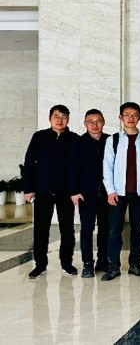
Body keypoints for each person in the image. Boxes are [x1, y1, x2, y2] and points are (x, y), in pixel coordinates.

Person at [23, 104, 79, 279]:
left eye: (63, 116)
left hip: (66, 192)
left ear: (68, 119)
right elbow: (29, 162)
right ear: (50, 118)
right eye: (56, 116)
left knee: (67, 229)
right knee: (41, 229)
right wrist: (28, 188)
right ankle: (40, 265)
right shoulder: (39, 137)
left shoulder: (74, 138)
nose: (60, 120)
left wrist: (76, 190)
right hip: (43, 190)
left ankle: (67, 263)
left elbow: (78, 167)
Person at [101, 102, 140, 281]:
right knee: (114, 231)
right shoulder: (113, 140)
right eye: (127, 115)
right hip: (118, 193)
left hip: (139, 192)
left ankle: (135, 264)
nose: (131, 118)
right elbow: (107, 166)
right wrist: (110, 191)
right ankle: (113, 266)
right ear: (120, 117)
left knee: (137, 230)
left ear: (139, 117)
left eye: (135, 115)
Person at [68, 109, 110, 278]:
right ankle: (87, 264)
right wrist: (74, 191)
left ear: (103, 122)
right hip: (86, 194)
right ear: (85, 124)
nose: (94, 125)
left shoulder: (110, 141)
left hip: (107, 194)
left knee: (105, 229)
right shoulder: (78, 143)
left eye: (98, 121)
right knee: (87, 230)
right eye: (90, 122)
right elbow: (72, 168)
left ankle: (103, 261)